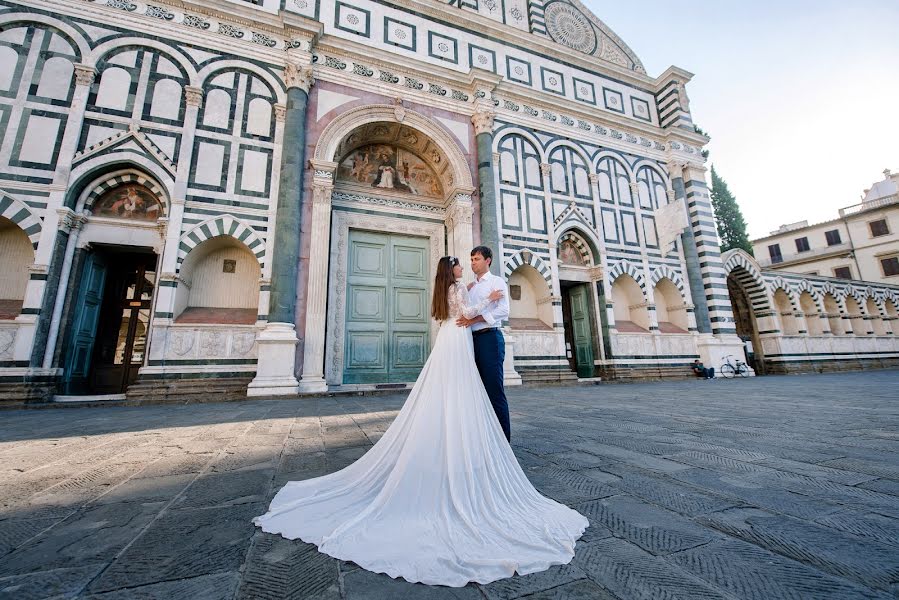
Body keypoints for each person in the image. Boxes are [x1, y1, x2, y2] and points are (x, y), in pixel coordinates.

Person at [253, 256, 587, 587]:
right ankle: (474, 444)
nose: (466, 264)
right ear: (453, 269)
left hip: (456, 339)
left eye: (472, 259)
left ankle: (478, 442)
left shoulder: (455, 285)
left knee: (459, 392)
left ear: (484, 260)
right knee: (464, 392)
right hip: (461, 339)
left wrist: (481, 296)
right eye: (461, 262)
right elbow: (468, 314)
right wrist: (488, 299)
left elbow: (466, 313)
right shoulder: (463, 286)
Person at [457, 246, 511, 441]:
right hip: (471, 341)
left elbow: (504, 311)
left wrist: (476, 319)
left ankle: (503, 441)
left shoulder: (497, 282)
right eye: (471, 259)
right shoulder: (470, 287)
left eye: (477, 259)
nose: (472, 263)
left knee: (494, 390)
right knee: (475, 391)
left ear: (488, 260)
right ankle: (483, 439)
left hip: (490, 339)